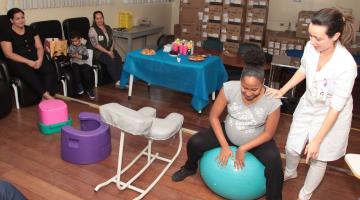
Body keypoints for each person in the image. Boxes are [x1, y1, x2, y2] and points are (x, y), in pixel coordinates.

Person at [266, 8, 357, 200]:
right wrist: (282, 91)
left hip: (332, 113)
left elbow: (336, 107)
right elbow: (303, 69)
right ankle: (291, 171)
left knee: (318, 157)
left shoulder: (346, 65)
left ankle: (305, 194)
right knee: (292, 146)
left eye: (318, 38)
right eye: (310, 36)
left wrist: (317, 140)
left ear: (335, 36)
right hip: (309, 103)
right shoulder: (311, 47)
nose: (312, 41)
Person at [172, 48, 284, 200]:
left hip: (256, 139)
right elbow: (213, 117)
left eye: (254, 89)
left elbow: (269, 134)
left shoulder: (273, 100)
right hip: (229, 131)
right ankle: (189, 168)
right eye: (244, 87)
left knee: (275, 164)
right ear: (240, 81)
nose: (248, 93)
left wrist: (243, 148)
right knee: (195, 142)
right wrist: (225, 145)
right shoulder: (230, 87)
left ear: (263, 83)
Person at [0, 8, 56, 100]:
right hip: (17, 61)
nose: (21, 20)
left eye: (22, 17)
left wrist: (40, 60)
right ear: (11, 20)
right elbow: (8, 54)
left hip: (35, 57)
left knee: (48, 68)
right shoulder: (5, 33)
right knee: (29, 73)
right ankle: (48, 97)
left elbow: (39, 47)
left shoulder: (31, 29)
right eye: (17, 18)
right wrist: (28, 62)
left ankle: (45, 98)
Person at [88, 10, 122, 86]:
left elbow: (112, 40)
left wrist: (111, 50)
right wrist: (108, 53)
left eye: (101, 18)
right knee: (110, 59)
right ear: (94, 20)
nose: (99, 20)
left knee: (118, 58)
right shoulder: (92, 30)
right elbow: (95, 45)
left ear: (103, 18)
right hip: (98, 52)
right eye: (97, 18)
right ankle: (117, 80)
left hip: (108, 49)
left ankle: (121, 79)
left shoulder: (108, 27)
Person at [68, 31, 95, 99]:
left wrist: (79, 56)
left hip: (83, 62)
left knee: (86, 72)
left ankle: (90, 90)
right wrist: (71, 55)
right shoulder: (71, 46)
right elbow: (69, 54)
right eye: (73, 41)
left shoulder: (83, 47)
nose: (74, 43)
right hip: (75, 63)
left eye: (76, 41)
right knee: (76, 71)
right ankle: (79, 86)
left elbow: (86, 56)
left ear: (79, 39)